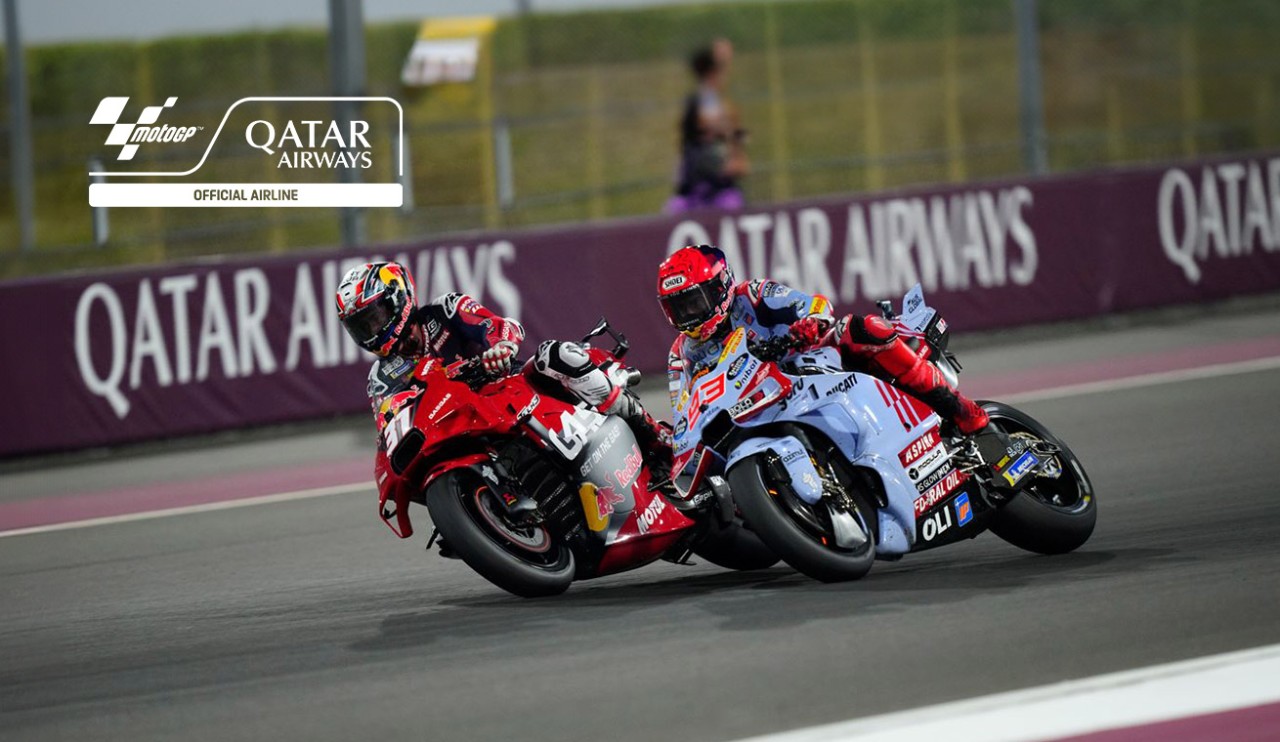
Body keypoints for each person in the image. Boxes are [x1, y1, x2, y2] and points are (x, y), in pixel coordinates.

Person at [336, 261, 671, 528]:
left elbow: (498, 325)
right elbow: (389, 421)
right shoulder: (380, 378)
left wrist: (502, 347)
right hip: (461, 427)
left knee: (557, 355)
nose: (371, 332)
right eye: (361, 327)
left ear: (399, 299)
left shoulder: (445, 310)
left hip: (512, 388)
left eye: (374, 318)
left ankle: (653, 433)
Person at [656, 244, 989, 436]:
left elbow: (814, 305)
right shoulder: (680, 355)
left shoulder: (753, 294)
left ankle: (961, 409)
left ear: (720, 286)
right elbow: (684, 412)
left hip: (807, 367)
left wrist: (808, 326)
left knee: (859, 328)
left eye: (693, 302)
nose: (688, 314)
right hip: (753, 410)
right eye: (678, 307)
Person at [665, 43, 749, 213]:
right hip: (701, 188)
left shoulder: (711, 101)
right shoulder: (702, 101)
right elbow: (716, 126)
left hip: (712, 186)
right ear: (713, 73)